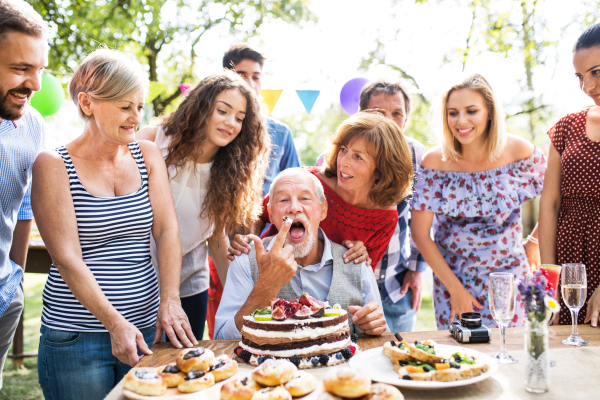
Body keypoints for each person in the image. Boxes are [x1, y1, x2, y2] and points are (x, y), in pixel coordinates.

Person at [32, 48, 195, 400]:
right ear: (87, 103)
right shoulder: (52, 164)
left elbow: (168, 231)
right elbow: (66, 257)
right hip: (77, 336)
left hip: (148, 326)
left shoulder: (147, 153)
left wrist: (170, 299)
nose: (136, 117)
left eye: (139, 106)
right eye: (125, 106)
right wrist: (114, 323)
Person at [136, 70, 270, 340]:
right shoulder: (153, 141)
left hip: (188, 286)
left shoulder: (231, 172)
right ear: (201, 106)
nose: (231, 122)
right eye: (223, 110)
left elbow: (217, 239)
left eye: (239, 118)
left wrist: (245, 306)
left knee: (181, 368)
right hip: (135, 281)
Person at [411, 73, 545, 330]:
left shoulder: (519, 151)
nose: (461, 121)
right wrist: (455, 290)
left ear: (490, 112)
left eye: (471, 111)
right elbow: (420, 234)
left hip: (510, 279)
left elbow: (556, 199)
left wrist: (535, 242)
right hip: (453, 281)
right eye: (453, 113)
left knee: (511, 358)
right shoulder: (433, 162)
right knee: (461, 361)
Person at [215, 168, 387, 339]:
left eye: (305, 198)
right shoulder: (245, 260)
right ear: (271, 214)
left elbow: (379, 335)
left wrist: (373, 326)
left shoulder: (356, 263)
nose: (294, 208)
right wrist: (266, 287)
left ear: (323, 210)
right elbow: (222, 339)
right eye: (283, 200)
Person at [230, 112, 414, 271]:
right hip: (273, 269)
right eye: (343, 149)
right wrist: (250, 240)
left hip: (325, 294)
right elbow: (262, 212)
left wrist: (361, 255)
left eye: (358, 157)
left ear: (382, 169)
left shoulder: (385, 218)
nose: (344, 162)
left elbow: (363, 278)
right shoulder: (309, 180)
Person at [539, 22, 600, 328]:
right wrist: (549, 281)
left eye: (596, 72)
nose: (587, 87)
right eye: (580, 76)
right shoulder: (566, 127)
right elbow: (549, 204)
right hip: (571, 260)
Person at [0, 0, 46, 388]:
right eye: (20, 69)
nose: (34, 84)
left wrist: (13, 281)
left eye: (39, 70)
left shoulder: (32, 123)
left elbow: (25, 204)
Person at [357, 80, 428, 333]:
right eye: (378, 112)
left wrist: (416, 270)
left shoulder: (416, 154)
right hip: (349, 287)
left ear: (406, 119)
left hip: (397, 284)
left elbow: (423, 218)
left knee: (401, 360)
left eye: (397, 113)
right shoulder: (338, 154)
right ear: (362, 114)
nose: (388, 120)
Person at [223, 43, 300, 197]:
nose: (250, 84)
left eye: (256, 77)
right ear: (226, 78)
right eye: (242, 76)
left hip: (267, 220)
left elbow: (296, 185)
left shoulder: (281, 132)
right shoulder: (217, 126)